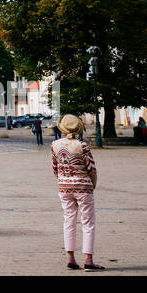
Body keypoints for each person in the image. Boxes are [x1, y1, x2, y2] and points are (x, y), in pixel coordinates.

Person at [51, 114, 102, 271]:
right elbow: (91, 169)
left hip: (64, 186)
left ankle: (71, 259)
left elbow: (55, 168)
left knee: (69, 221)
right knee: (88, 222)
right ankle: (88, 260)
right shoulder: (82, 146)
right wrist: (92, 185)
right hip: (83, 187)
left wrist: (64, 179)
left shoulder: (55, 145)